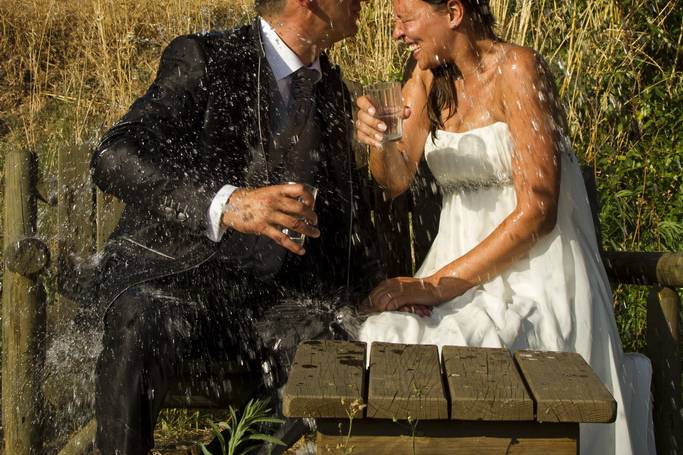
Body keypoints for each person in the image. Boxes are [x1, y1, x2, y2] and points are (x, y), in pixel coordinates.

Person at [354, 0, 654, 453]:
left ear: (452, 12)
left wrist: (435, 286)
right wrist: (380, 138)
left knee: (461, 352)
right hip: (454, 268)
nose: (397, 33)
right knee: (386, 334)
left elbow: (539, 209)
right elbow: (394, 179)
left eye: (405, 17)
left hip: (533, 273)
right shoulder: (425, 77)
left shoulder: (519, 69)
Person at [86, 0, 376, 452]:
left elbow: (340, 216)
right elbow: (113, 156)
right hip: (178, 282)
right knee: (141, 318)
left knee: (329, 336)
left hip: (264, 300)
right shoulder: (206, 59)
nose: (363, 3)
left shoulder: (332, 88)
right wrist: (226, 203)